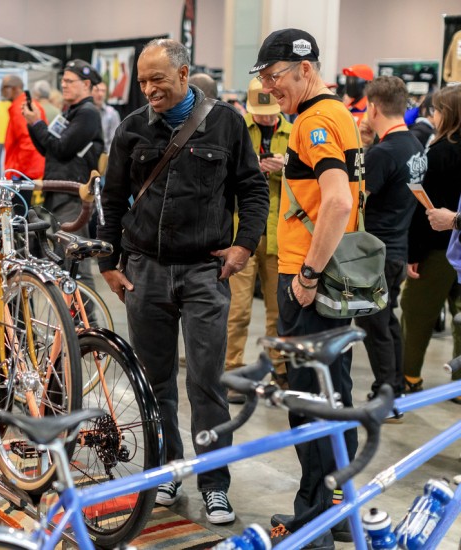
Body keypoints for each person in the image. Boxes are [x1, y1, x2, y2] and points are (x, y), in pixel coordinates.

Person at [98, 38, 269, 525]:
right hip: (144, 271)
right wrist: (110, 261)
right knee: (153, 382)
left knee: (206, 382)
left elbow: (253, 189)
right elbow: (112, 199)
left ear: (184, 74)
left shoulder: (228, 123)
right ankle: (168, 469)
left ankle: (214, 482)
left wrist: (244, 245)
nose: (149, 89)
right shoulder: (132, 129)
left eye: (158, 79)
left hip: (204, 271)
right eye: (142, 81)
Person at [251, 28, 363, 548]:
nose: (270, 88)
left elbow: (338, 202)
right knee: (333, 395)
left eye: (275, 77)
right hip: (336, 279)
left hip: (312, 282)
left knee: (309, 400)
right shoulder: (337, 113)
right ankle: (337, 510)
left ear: (305, 69)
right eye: (265, 79)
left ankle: (312, 519)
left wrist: (308, 275)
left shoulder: (314, 121)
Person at [354, 76, 426, 409]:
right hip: (397, 247)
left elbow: (357, 201)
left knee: (374, 322)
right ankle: (395, 384)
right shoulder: (414, 146)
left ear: (373, 107)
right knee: (387, 319)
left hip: (376, 253)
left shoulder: (383, 153)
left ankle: (386, 391)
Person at [224, 77, 292, 404]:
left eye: (271, 112)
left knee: (278, 311)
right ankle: (232, 371)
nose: (266, 118)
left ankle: (279, 371)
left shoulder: (294, 133)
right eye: (261, 113)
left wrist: (286, 167)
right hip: (243, 232)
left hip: (281, 235)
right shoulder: (236, 130)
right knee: (237, 309)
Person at [401, 84, 461, 395]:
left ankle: (409, 377)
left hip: (437, 251)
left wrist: (414, 253)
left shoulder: (437, 154)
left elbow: (423, 209)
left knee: (416, 312)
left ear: (447, 114)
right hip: (456, 249)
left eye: (436, 110)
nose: (432, 115)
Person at [23, 59, 104, 284]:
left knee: (76, 262)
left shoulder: (87, 113)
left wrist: (37, 123)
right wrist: (33, 124)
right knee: (64, 262)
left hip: (72, 196)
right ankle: (71, 318)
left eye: (69, 81)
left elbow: (62, 147)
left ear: (86, 84)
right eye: (63, 81)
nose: (64, 85)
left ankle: (89, 320)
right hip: (60, 193)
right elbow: (48, 149)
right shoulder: (72, 112)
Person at [0, 74, 47, 204]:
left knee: (21, 214)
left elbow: (27, 141)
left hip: (24, 170)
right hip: (27, 169)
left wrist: (18, 173)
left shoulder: (20, 107)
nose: (2, 91)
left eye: (5, 87)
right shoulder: (25, 104)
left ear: (15, 88)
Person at [91, 81, 121, 154]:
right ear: (90, 92)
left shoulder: (112, 114)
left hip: (104, 156)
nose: (100, 94)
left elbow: (114, 141)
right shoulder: (84, 112)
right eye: (97, 90)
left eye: (103, 91)